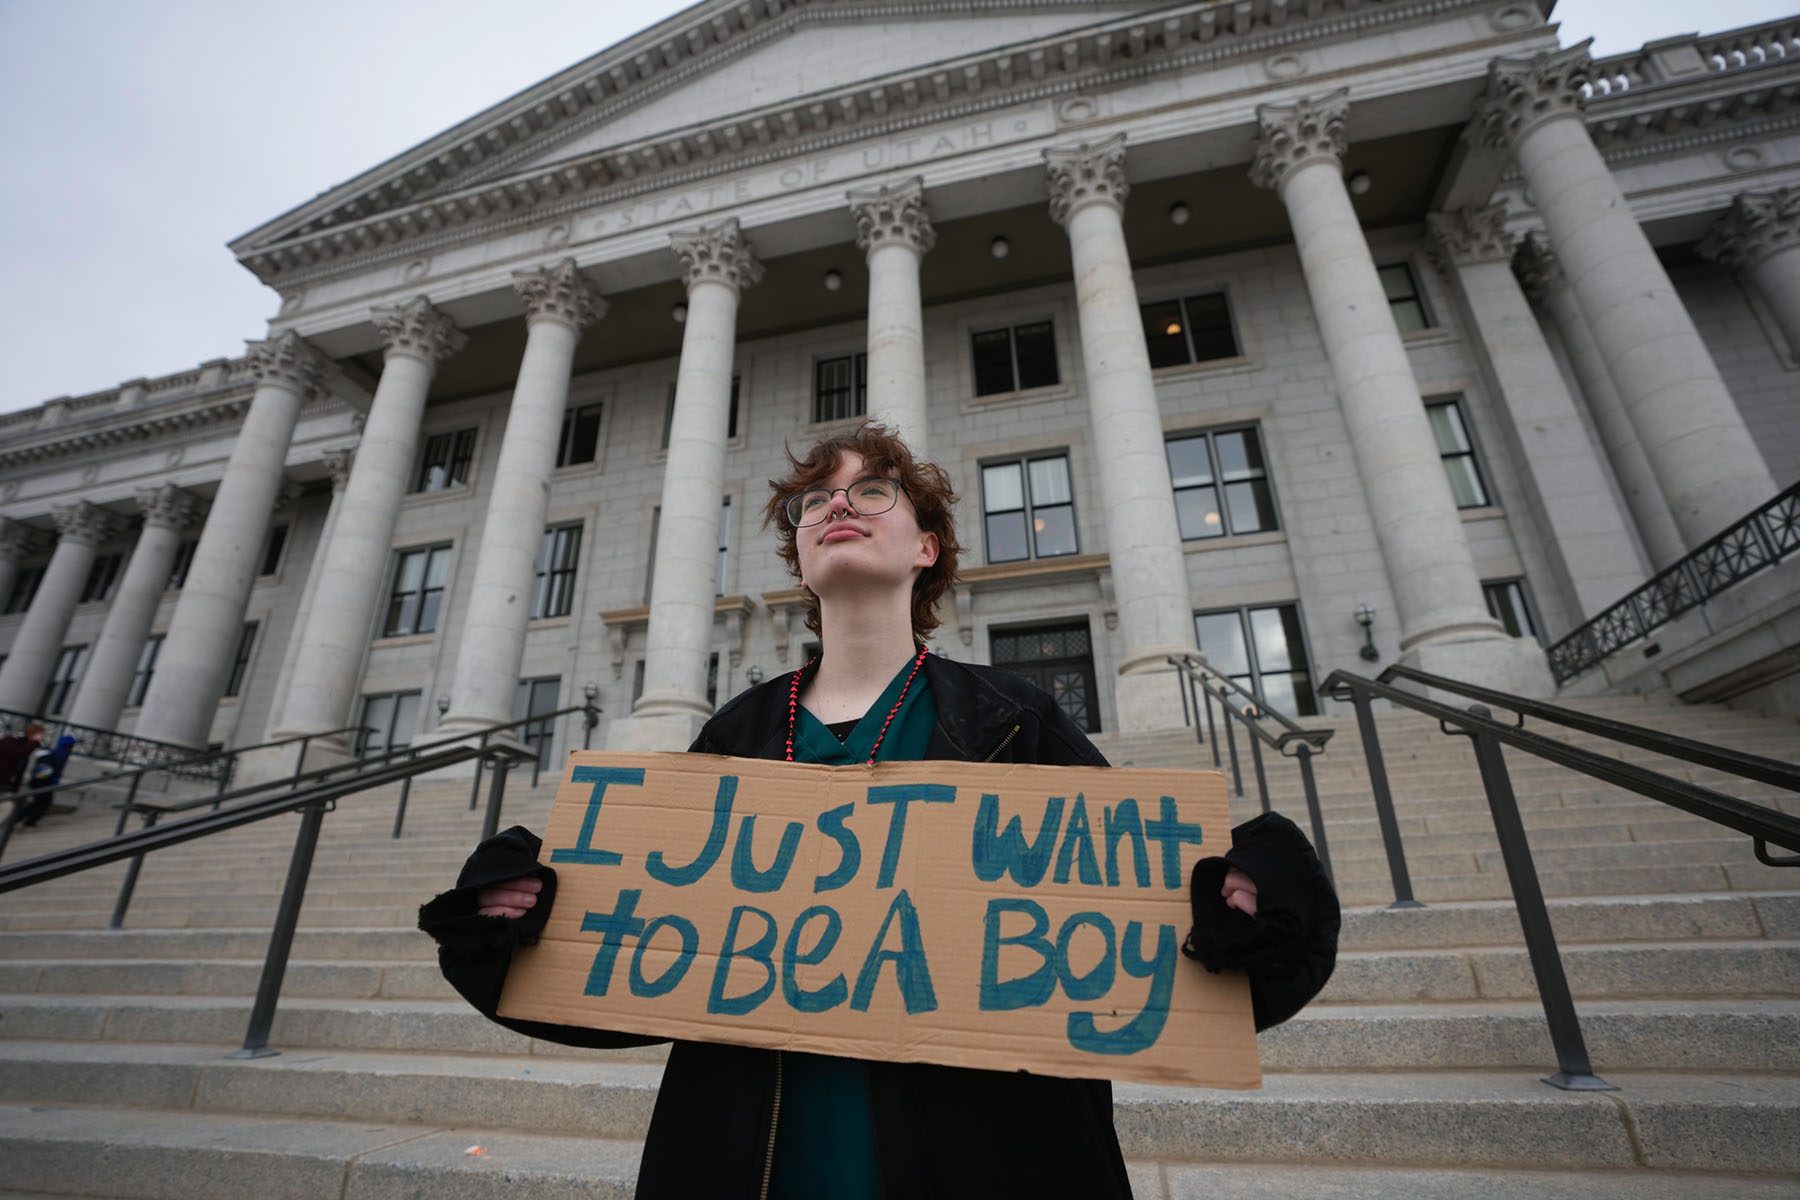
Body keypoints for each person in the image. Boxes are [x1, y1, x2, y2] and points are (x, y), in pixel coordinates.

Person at [420, 422, 1338, 1199]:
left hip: (992, 1153)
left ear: (927, 547)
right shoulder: (736, 730)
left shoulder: (1014, 719)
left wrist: (1240, 900)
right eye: (814, 503)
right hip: (755, 1152)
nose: (838, 508)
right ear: (802, 555)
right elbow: (646, 963)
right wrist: (529, 918)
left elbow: (1146, 929)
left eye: (873, 492)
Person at [19, 733, 76, 827]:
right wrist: (52, 781)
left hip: (44, 782)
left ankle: (23, 819)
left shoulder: (58, 752)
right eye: (72, 745)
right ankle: (26, 820)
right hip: (44, 783)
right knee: (43, 803)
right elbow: (52, 770)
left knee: (38, 803)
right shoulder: (60, 754)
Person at [0, 722, 44, 793]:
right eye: (40, 734)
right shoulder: (11, 741)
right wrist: (34, 742)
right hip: (3, 780)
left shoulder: (25, 744)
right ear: (32, 733)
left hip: (8, 782)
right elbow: (20, 753)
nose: (41, 737)